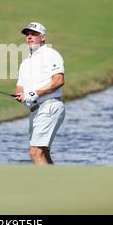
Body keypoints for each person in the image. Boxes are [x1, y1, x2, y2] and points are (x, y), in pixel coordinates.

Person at [14, 22, 66, 165]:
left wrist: (35, 93)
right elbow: (19, 87)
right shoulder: (25, 62)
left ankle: (47, 186)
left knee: (35, 152)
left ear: (42, 37)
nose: (29, 37)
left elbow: (59, 81)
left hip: (49, 106)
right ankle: (56, 184)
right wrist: (20, 95)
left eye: (34, 34)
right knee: (43, 152)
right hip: (35, 111)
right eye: (27, 34)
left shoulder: (51, 54)